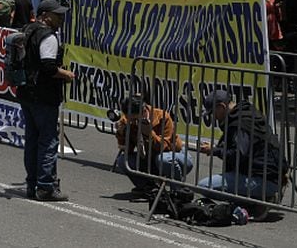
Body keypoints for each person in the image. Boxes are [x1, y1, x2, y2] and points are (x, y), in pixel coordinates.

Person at [17, 0, 75, 201]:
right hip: (43, 95)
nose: (60, 18)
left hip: (27, 93)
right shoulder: (48, 36)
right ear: (45, 16)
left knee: (32, 139)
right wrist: (65, 75)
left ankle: (32, 185)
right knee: (48, 141)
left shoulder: (28, 29)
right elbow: (48, 67)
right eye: (56, 14)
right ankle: (45, 186)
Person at [197, 89, 287, 217]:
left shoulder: (240, 123)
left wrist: (214, 151)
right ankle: (258, 198)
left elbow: (238, 155)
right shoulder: (246, 113)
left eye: (213, 112)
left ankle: (258, 201)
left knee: (204, 186)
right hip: (269, 175)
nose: (214, 117)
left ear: (222, 107)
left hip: (264, 178)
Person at [113, 94, 191, 195]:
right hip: (149, 158)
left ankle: (178, 191)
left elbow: (165, 147)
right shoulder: (127, 121)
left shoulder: (162, 116)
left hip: (174, 156)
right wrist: (121, 133)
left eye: (134, 119)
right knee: (123, 160)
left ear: (144, 111)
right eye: (130, 119)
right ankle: (148, 187)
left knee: (162, 159)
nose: (132, 121)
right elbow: (127, 150)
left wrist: (149, 134)